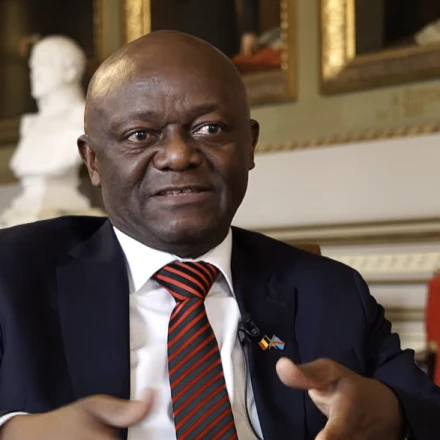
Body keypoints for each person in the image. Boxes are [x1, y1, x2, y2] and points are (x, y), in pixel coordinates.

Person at [0, 31, 439, 440]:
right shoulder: (13, 278)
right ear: (93, 161)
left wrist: (387, 412)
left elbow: (426, 411)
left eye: (209, 129)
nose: (178, 155)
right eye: (141, 135)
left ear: (249, 145)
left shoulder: (329, 292)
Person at [0, 36, 94, 228]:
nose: (35, 73)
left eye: (44, 64)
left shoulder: (83, 120)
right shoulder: (30, 125)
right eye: (32, 66)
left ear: (70, 70)